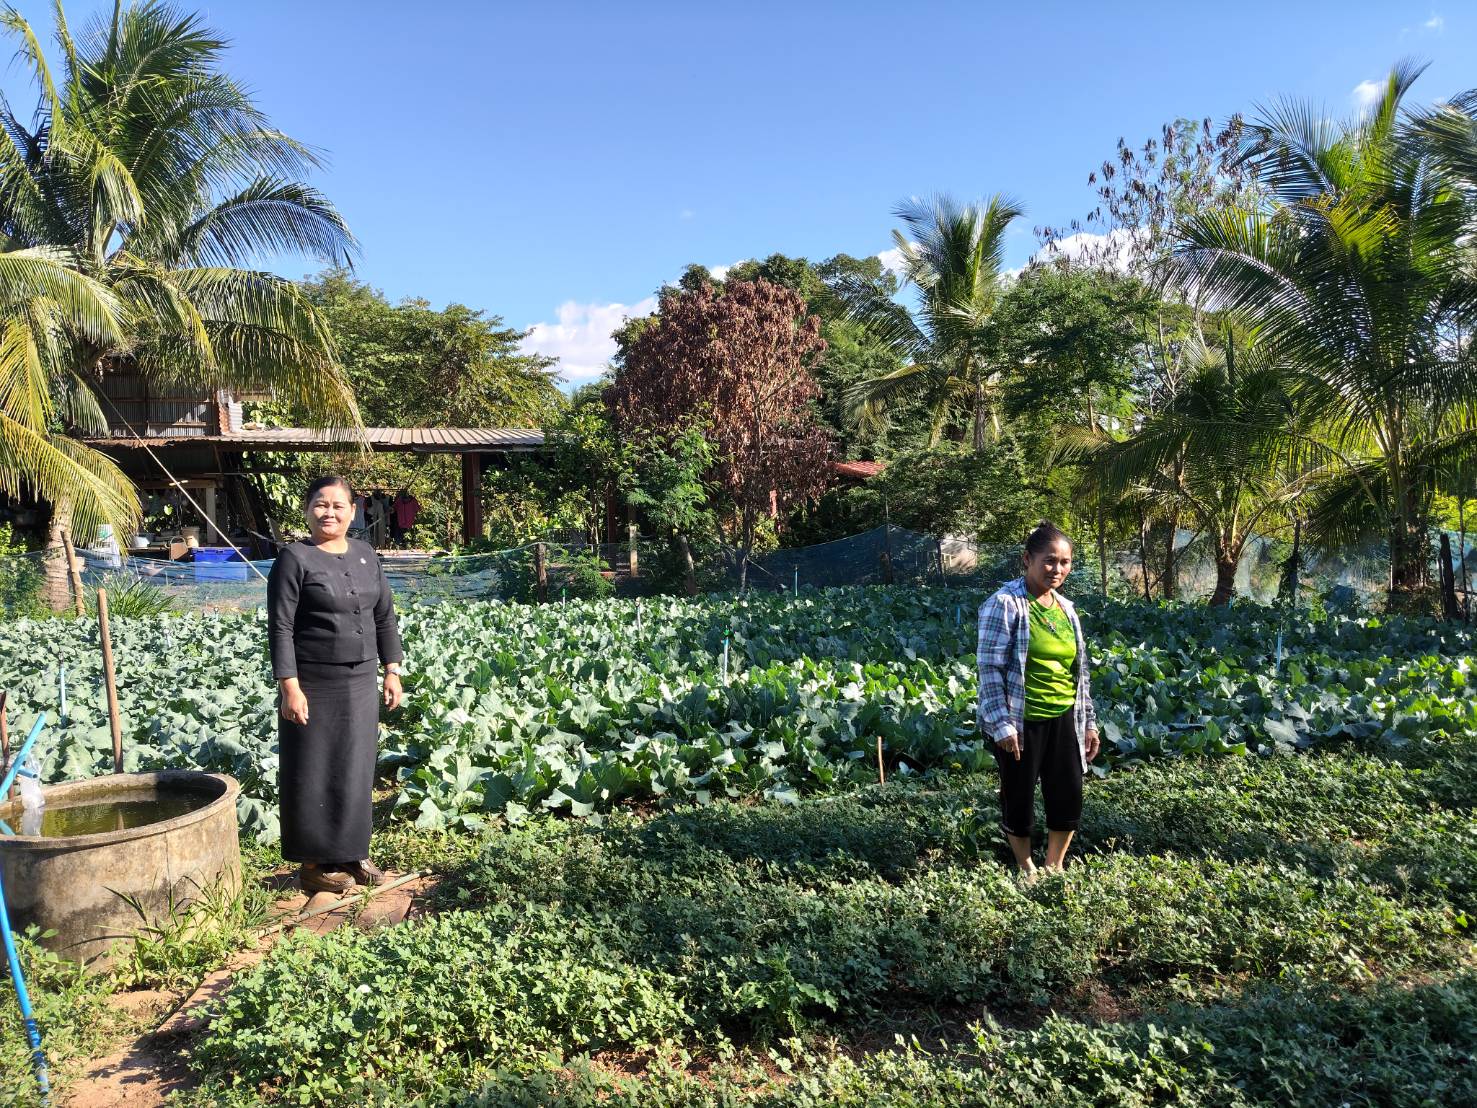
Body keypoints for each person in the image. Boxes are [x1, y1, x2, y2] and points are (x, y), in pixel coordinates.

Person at [267, 475, 406, 893]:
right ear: (308, 510)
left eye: (338, 506)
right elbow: (281, 626)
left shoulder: (366, 555)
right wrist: (289, 685)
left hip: (361, 679)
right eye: (320, 505)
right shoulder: (294, 559)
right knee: (312, 768)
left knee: (356, 765)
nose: (329, 513)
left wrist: (392, 669)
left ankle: (352, 853)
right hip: (314, 681)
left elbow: (385, 616)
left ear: (352, 511)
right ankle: (313, 863)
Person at [976, 520, 1100, 878]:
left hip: (1065, 716)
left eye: (1064, 562)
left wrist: (1089, 722)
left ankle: (1054, 864)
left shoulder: (1066, 609)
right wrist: (1000, 724)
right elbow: (989, 670)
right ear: (1027, 559)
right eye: (1048, 561)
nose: (1057, 569)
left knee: (1068, 793)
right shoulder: (1004, 605)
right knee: (1018, 796)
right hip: (1020, 719)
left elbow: (1080, 672)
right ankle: (1025, 865)